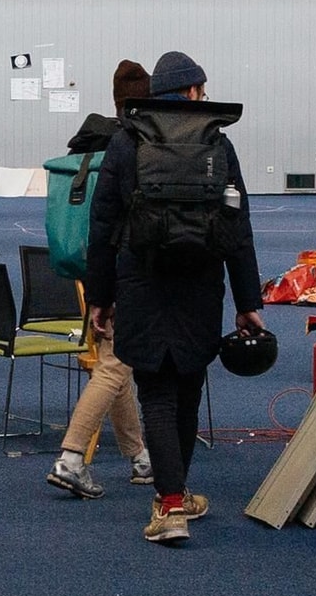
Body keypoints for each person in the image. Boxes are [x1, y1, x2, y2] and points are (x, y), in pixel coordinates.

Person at [83, 50, 268, 547]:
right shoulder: (218, 145)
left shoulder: (126, 143)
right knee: (186, 388)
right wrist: (248, 299)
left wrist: (99, 296)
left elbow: (102, 228)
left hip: (142, 282)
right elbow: (239, 228)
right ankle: (177, 493)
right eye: (201, 91)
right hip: (200, 285)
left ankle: (169, 505)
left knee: (156, 393)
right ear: (189, 92)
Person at [48, 60, 156, 499]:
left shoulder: (92, 144)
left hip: (94, 272)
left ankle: (140, 458)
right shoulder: (135, 147)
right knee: (113, 367)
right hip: (126, 272)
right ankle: (71, 457)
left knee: (117, 362)